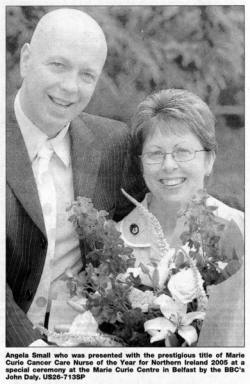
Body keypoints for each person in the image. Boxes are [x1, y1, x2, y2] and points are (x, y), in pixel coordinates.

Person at [6, 8, 143, 347]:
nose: (70, 87)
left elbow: (152, 210)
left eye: (87, 75)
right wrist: (33, 356)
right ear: (26, 60)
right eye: (58, 65)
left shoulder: (113, 143)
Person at [117, 89, 244, 345]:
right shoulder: (116, 238)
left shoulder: (241, 228)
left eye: (183, 151)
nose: (169, 166)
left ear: (209, 160)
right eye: (155, 154)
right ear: (140, 164)